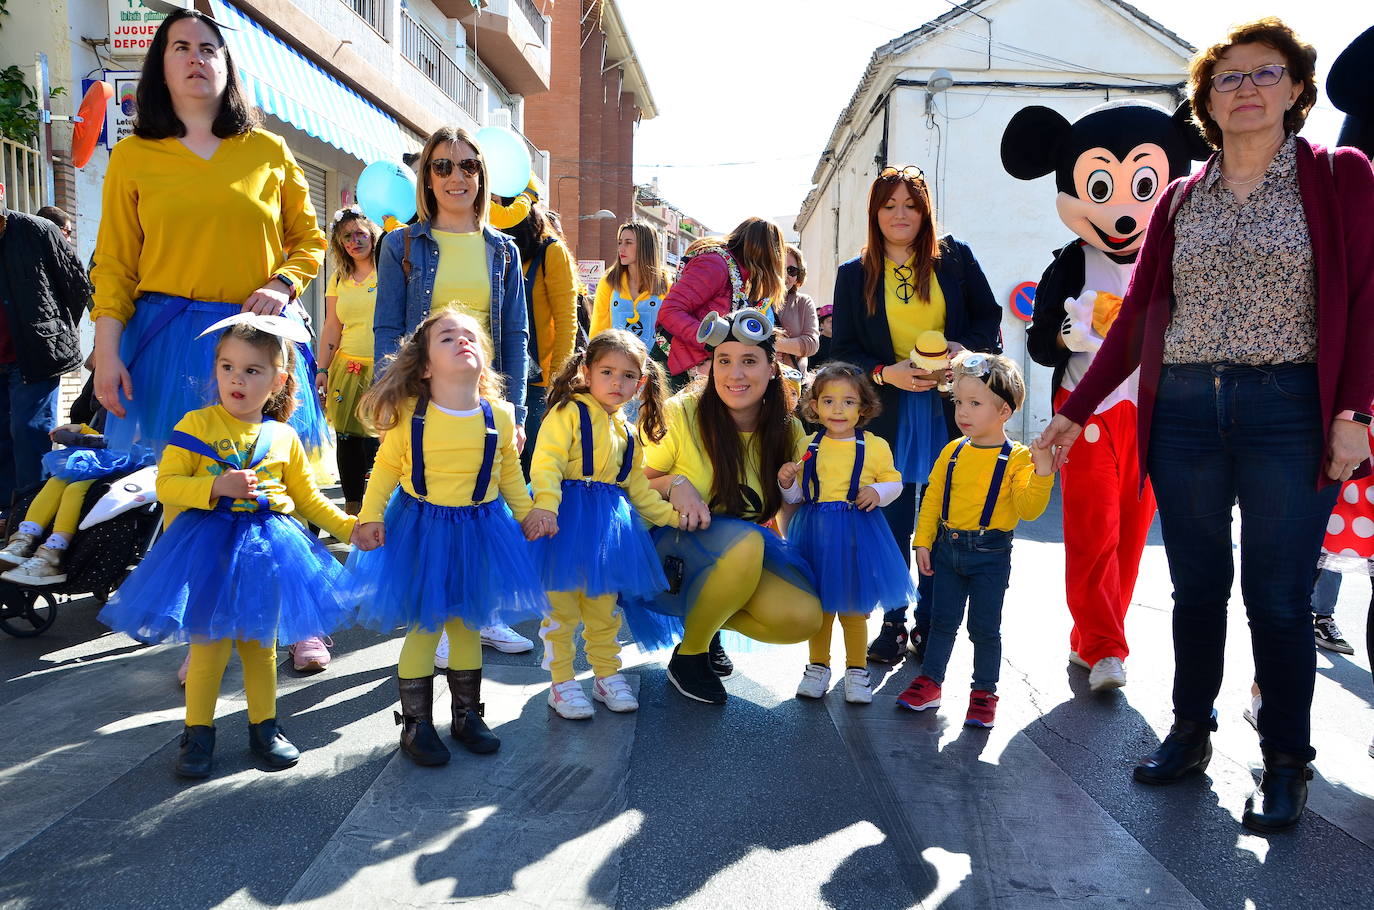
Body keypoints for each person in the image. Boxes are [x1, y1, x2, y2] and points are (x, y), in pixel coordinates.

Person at [1037, 17, 1374, 834]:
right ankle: (1190, 732)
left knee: (1281, 598)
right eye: (1229, 78)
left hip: (1289, 408)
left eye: (1266, 74)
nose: (1247, 88)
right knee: (1196, 590)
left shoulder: (1341, 176)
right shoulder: (1185, 198)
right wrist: (1072, 411)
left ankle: (1287, 758)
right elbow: (1140, 314)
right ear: (1207, 101)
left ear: (1296, 89)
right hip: (1184, 408)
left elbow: (1367, 298)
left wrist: (1355, 412)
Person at [97, 316, 357, 780]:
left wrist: (350, 527)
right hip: (207, 555)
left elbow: (308, 497)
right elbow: (167, 484)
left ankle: (265, 728)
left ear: (278, 380)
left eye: (253, 370)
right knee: (209, 649)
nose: (237, 378)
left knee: (260, 648)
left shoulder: (283, 436)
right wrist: (217, 485)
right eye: (227, 367)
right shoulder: (194, 425)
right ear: (215, 370)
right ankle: (198, 732)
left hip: (267, 556)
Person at [90, 9, 330, 474]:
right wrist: (105, 354)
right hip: (165, 345)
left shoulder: (268, 150)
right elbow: (115, 264)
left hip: (254, 342)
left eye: (208, 48)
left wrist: (283, 284)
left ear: (226, 64)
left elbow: (310, 241)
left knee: (258, 492)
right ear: (161, 65)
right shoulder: (132, 156)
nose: (195, 58)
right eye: (181, 47)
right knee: (177, 491)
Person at [347, 308, 547, 767]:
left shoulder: (498, 414)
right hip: (423, 530)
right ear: (425, 366)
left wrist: (528, 515)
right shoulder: (411, 415)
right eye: (447, 337)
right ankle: (416, 725)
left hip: (481, 530)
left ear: (484, 357)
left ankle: (466, 715)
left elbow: (510, 475)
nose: (463, 341)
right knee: (425, 626)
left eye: (470, 336)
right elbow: (384, 470)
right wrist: (370, 514)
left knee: (467, 624)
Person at [829, 165, 1003, 665]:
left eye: (911, 205)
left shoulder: (956, 259)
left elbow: (987, 319)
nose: (900, 215)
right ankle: (892, 623)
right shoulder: (853, 273)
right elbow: (841, 353)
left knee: (946, 521)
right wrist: (886, 372)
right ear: (875, 214)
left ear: (925, 211)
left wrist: (961, 350)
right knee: (891, 522)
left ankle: (930, 622)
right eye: (889, 206)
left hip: (954, 408)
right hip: (888, 413)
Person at [373, 127, 535, 657]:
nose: (455, 176)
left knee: (485, 506)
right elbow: (388, 327)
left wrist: (517, 410)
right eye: (442, 166)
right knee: (428, 508)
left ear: (482, 176)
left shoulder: (505, 250)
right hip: (424, 396)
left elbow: (514, 333)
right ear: (426, 177)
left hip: (481, 399)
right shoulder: (400, 244)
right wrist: (390, 392)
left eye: (467, 166)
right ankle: (435, 620)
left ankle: (482, 615)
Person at [630, 308, 823, 705]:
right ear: (712, 366)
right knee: (748, 541)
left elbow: (790, 506)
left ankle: (707, 615)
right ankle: (691, 655)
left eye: (749, 361)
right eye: (724, 361)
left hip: (737, 556)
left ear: (773, 368)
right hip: (667, 548)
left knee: (802, 617)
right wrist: (674, 483)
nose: (735, 375)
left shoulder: (788, 430)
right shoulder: (681, 413)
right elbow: (630, 484)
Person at [524, 330, 684, 719]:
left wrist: (672, 517)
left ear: (641, 382)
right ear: (586, 371)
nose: (617, 382)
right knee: (561, 609)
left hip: (608, 531)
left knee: (604, 608)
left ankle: (605, 674)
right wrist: (545, 505)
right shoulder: (569, 412)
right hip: (563, 522)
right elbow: (546, 461)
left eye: (628, 376)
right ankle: (561, 682)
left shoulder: (628, 433)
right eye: (608, 372)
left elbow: (639, 489)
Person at [897, 353, 1055, 728]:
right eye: (958, 402)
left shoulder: (1017, 459)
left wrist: (1044, 471)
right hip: (947, 551)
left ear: (1005, 411)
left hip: (991, 555)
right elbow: (933, 496)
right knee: (941, 620)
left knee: (984, 628)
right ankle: (931, 682)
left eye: (975, 403)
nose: (962, 412)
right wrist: (923, 541)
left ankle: (984, 693)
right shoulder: (952, 452)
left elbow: (1028, 508)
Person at [779, 363, 912, 704]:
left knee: (854, 610)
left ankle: (856, 671)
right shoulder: (809, 445)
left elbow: (894, 482)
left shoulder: (874, 445)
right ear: (814, 406)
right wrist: (786, 481)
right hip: (816, 534)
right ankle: (817, 667)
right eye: (828, 401)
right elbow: (797, 497)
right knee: (820, 610)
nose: (838, 409)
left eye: (848, 401)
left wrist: (878, 492)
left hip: (856, 533)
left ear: (863, 407)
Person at [0, 185, 90, 521]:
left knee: (28, 433)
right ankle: (7, 514)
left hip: (35, 356)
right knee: (3, 440)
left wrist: (54, 329)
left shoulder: (37, 230)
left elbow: (77, 285)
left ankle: (31, 517)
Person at [0, 419, 151, 586]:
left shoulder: (154, 407)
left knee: (76, 489)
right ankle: (24, 540)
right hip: (107, 457)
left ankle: (53, 553)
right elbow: (111, 438)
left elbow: (130, 439)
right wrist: (82, 428)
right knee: (56, 481)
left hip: (135, 465)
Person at [502, 198, 578, 475]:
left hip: (538, 385)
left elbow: (567, 320)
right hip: (499, 375)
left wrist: (557, 380)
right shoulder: (498, 249)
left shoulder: (552, 252)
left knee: (530, 465)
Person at [657, 218, 786, 380]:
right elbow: (670, 311)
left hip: (695, 364)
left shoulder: (738, 273)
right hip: (675, 366)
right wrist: (711, 341)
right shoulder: (714, 264)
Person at [316, 206, 382, 517]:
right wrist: (322, 369)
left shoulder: (390, 268)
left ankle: (381, 507)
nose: (355, 241)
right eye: (347, 237)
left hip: (385, 370)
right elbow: (332, 326)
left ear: (372, 235)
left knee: (382, 440)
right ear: (340, 244)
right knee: (348, 440)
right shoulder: (339, 278)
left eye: (360, 234)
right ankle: (353, 510)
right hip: (348, 369)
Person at [590, 222, 672, 355]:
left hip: (656, 366)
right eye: (620, 242)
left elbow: (671, 330)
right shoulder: (608, 281)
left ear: (645, 246)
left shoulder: (667, 283)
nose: (621, 249)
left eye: (628, 243)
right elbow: (598, 329)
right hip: (616, 364)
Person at [775, 245, 820, 373]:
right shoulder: (754, 300)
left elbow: (811, 344)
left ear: (797, 276)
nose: (785, 276)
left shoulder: (803, 302)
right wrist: (793, 346)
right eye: (779, 268)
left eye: (792, 271)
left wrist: (772, 344)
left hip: (793, 383)